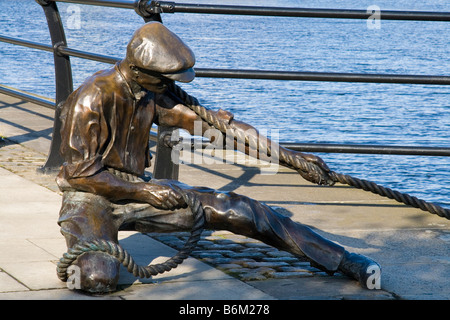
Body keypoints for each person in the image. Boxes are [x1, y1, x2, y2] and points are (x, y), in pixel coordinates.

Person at [56, 21, 381, 293]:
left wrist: (291, 158)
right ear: (139, 70)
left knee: (240, 209)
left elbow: (220, 129)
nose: (167, 86)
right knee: (97, 278)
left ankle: (343, 260)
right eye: (163, 79)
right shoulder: (92, 98)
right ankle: (94, 244)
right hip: (90, 197)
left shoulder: (152, 91)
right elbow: (79, 175)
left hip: (137, 191)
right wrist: (146, 190)